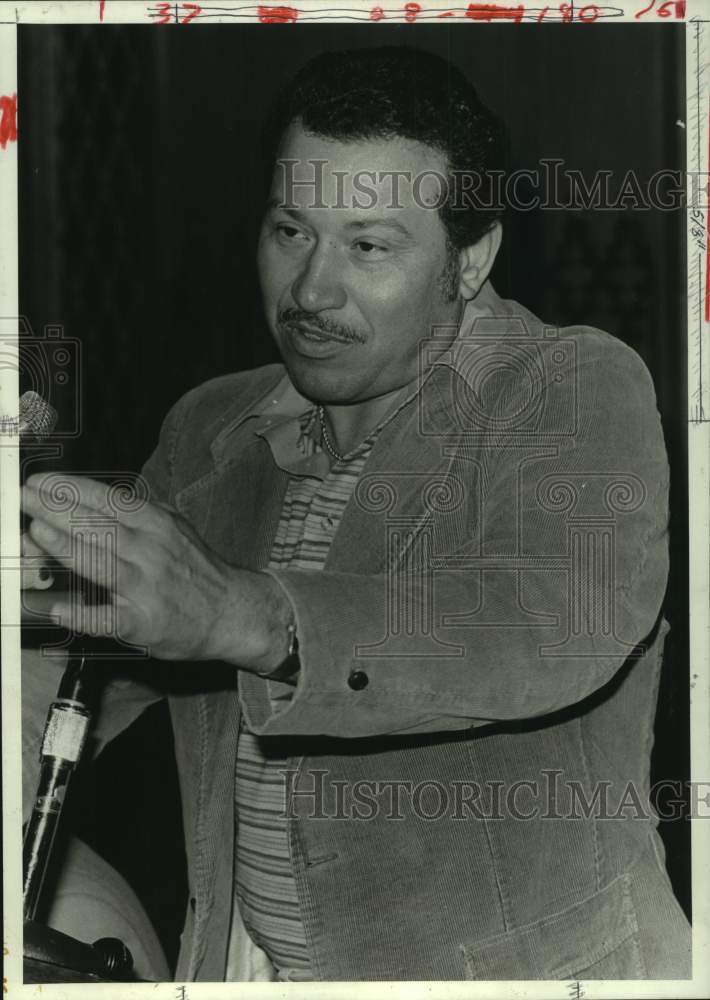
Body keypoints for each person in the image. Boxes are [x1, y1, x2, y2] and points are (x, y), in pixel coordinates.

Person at [21, 46, 691, 981]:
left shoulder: (571, 387)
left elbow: (546, 621)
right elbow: (102, 655)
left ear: (472, 257)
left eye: (368, 245)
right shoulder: (216, 423)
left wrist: (245, 613)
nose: (310, 291)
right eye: (291, 231)